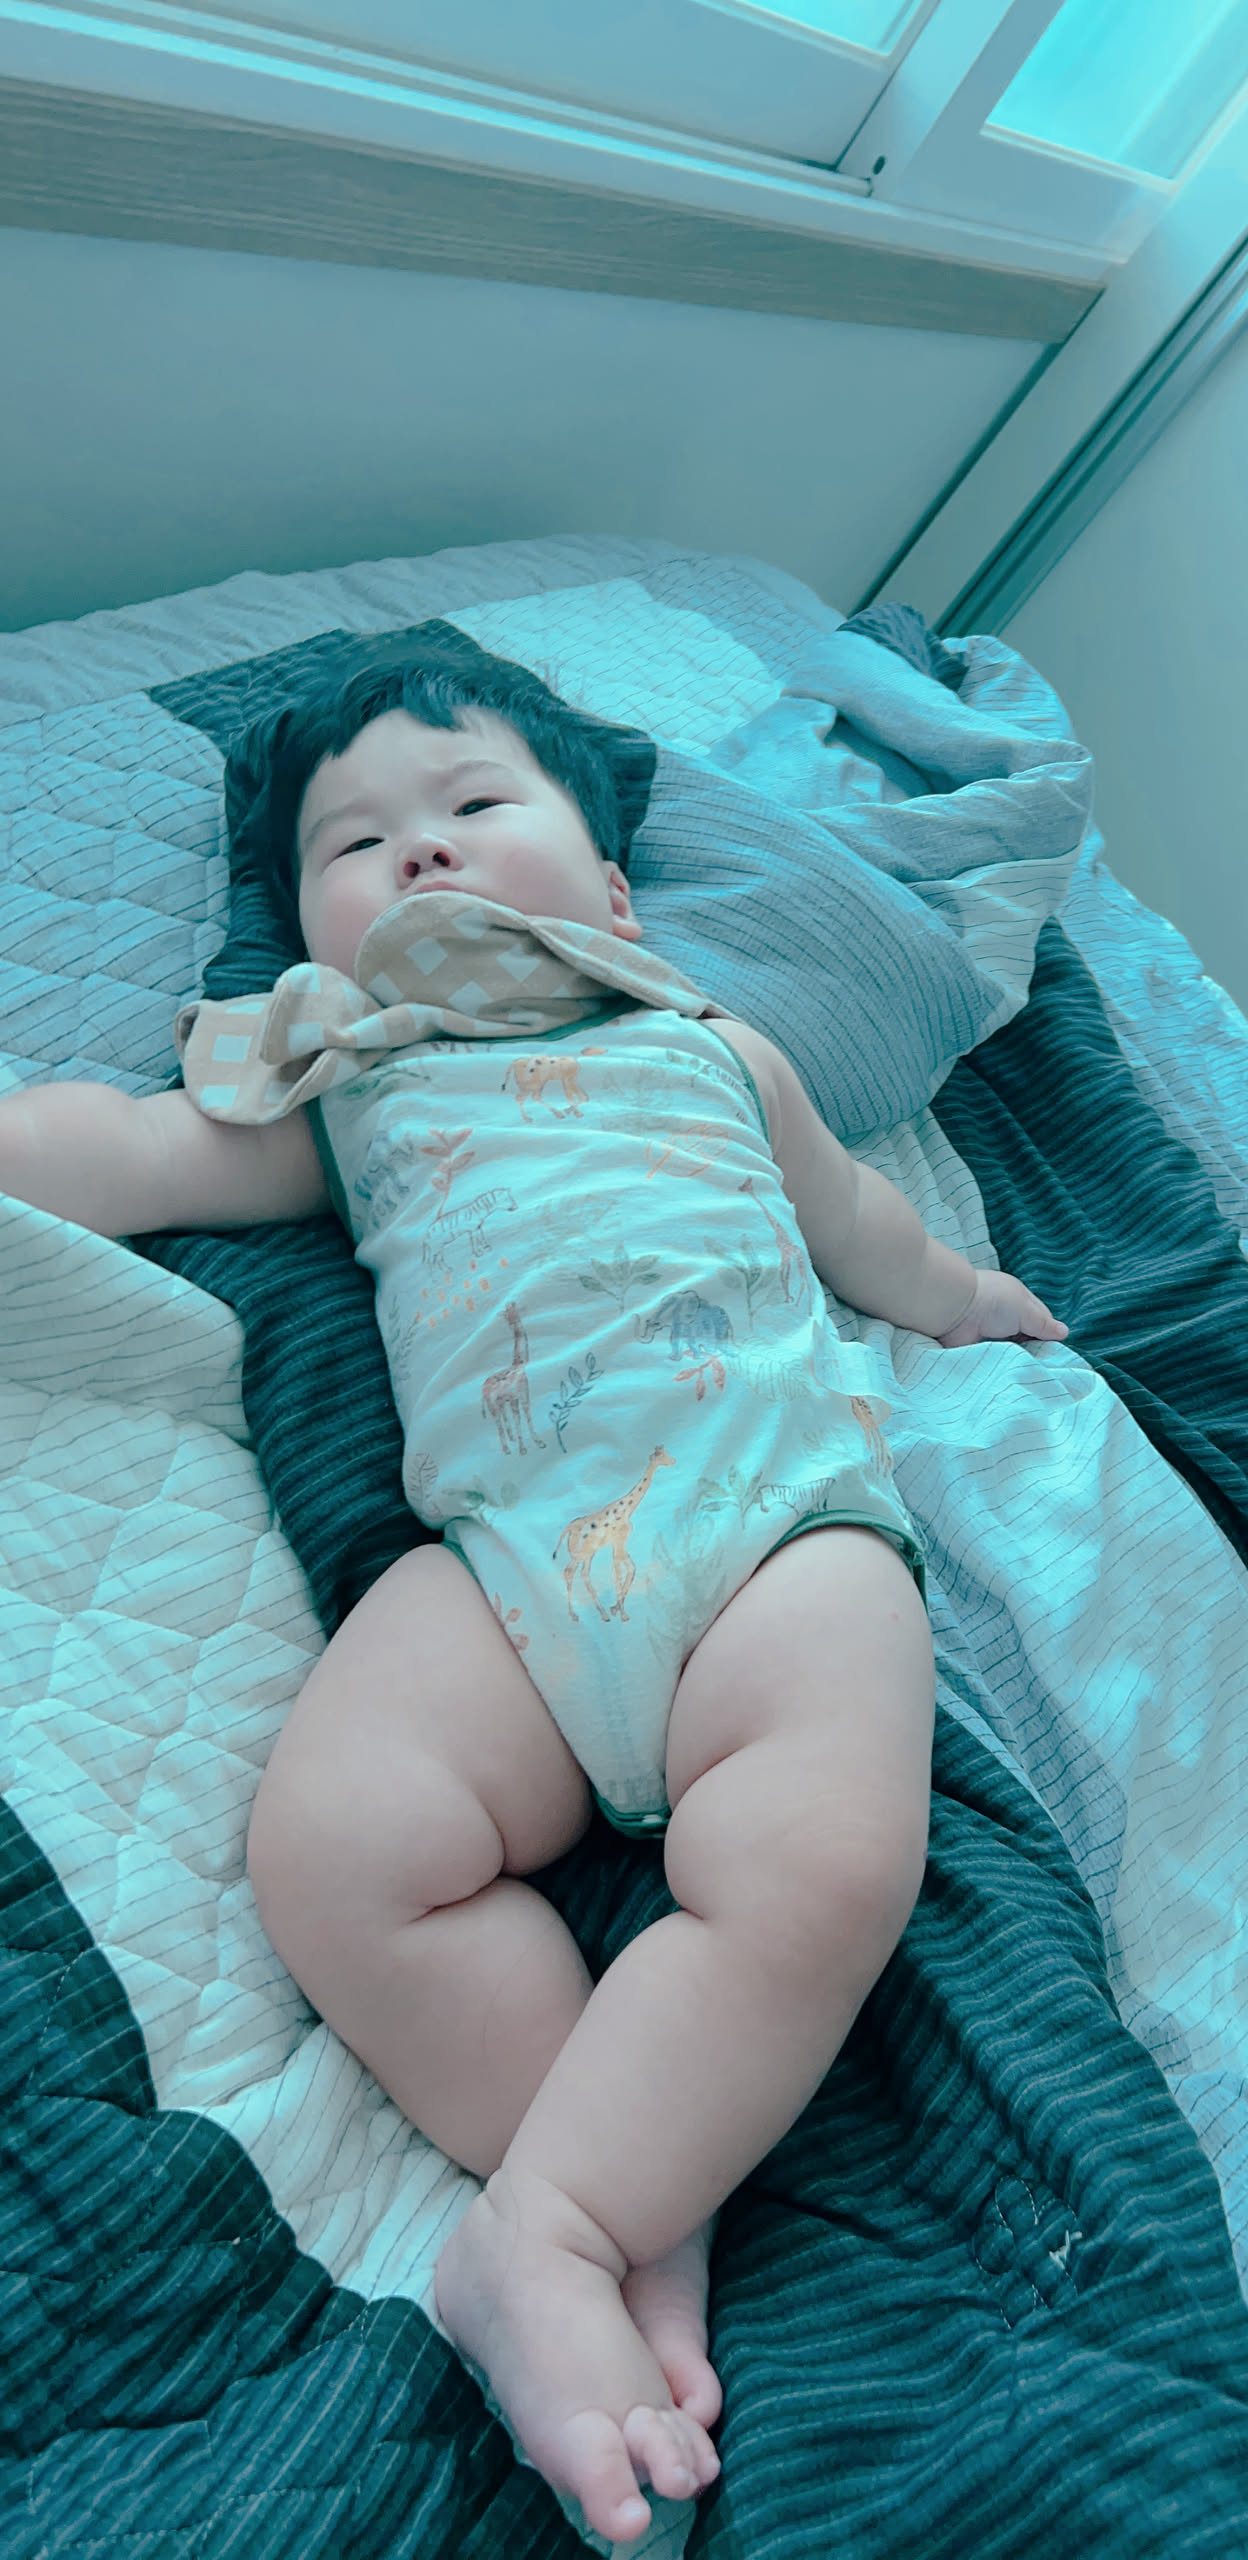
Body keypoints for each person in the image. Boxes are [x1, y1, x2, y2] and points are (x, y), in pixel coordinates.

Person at [0, 662, 1067, 2546]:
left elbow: (858, 1225)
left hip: (768, 1526)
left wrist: (962, 1298)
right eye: (354, 842)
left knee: (826, 1856)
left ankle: (551, 2228)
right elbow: (133, 1150)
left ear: (617, 895)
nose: (419, 847)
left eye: (476, 806)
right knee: (342, 1846)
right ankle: (628, 2191)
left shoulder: (712, 1045)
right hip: (509, 1559)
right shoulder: (350, 1076)